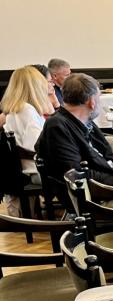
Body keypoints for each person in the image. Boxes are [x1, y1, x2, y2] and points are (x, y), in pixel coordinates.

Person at [36, 73, 113, 188]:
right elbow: (77, 176)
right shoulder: (57, 127)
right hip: (99, 198)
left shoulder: (84, 121)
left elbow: (102, 157)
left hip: (109, 182)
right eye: (98, 97)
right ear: (92, 101)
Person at [0, 66, 55, 216]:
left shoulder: (16, 108)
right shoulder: (27, 110)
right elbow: (36, 145)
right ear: (34, 86)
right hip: (37, 169)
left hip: (28, 167)